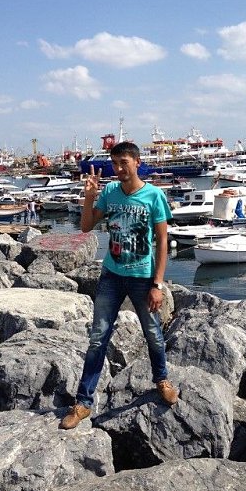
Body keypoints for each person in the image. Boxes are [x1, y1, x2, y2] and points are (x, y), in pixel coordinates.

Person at [60, 141, 178, 430]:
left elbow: (162, 241)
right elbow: (86, 226)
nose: (119, 168)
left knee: (153, 334)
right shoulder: (110, 192)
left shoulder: (154, 196)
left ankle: (162, 380)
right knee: (97, 338)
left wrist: (157, 284)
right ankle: (83, 403)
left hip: (142, 278)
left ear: (137, 162)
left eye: (124, 162)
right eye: (115, 163)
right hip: (111, 275)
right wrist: (89, 197)